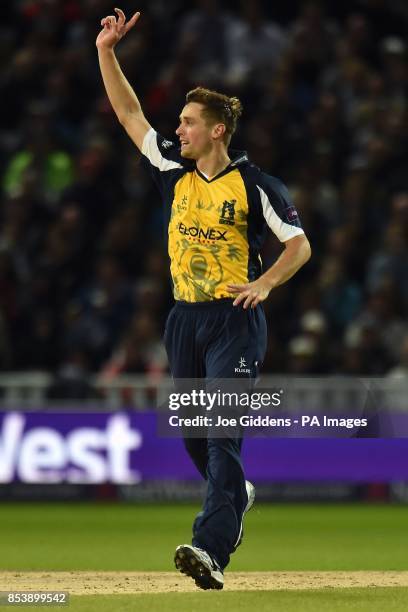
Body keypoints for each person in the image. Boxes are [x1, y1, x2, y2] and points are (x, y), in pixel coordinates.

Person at [96, 8, 311, 590]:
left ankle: (211, 547)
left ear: (217, 130)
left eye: (189, 122)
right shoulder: (172, 167)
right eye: (180, 123)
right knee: (197, 437)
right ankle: (235, 495)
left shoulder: (257, 185)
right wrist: (107, 52)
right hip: (183, 320)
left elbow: (299, 245)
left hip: (234, 320)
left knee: (219, 433)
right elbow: (128, 112)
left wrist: (265, 284)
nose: (179, 129)